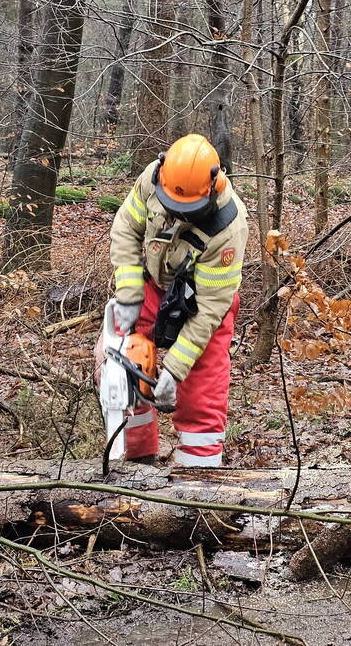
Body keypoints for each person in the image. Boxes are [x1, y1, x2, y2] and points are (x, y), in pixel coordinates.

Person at [107, 134, 248, 466]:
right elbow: (126, 227)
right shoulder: (153, 177)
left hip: (205, 304)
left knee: (201, 396)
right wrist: (129, 296)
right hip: (157, 286)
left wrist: (176, 367)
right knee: (125, 362)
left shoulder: (228, 226)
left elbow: (212, 307)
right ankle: (134, 462)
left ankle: (198, 483)